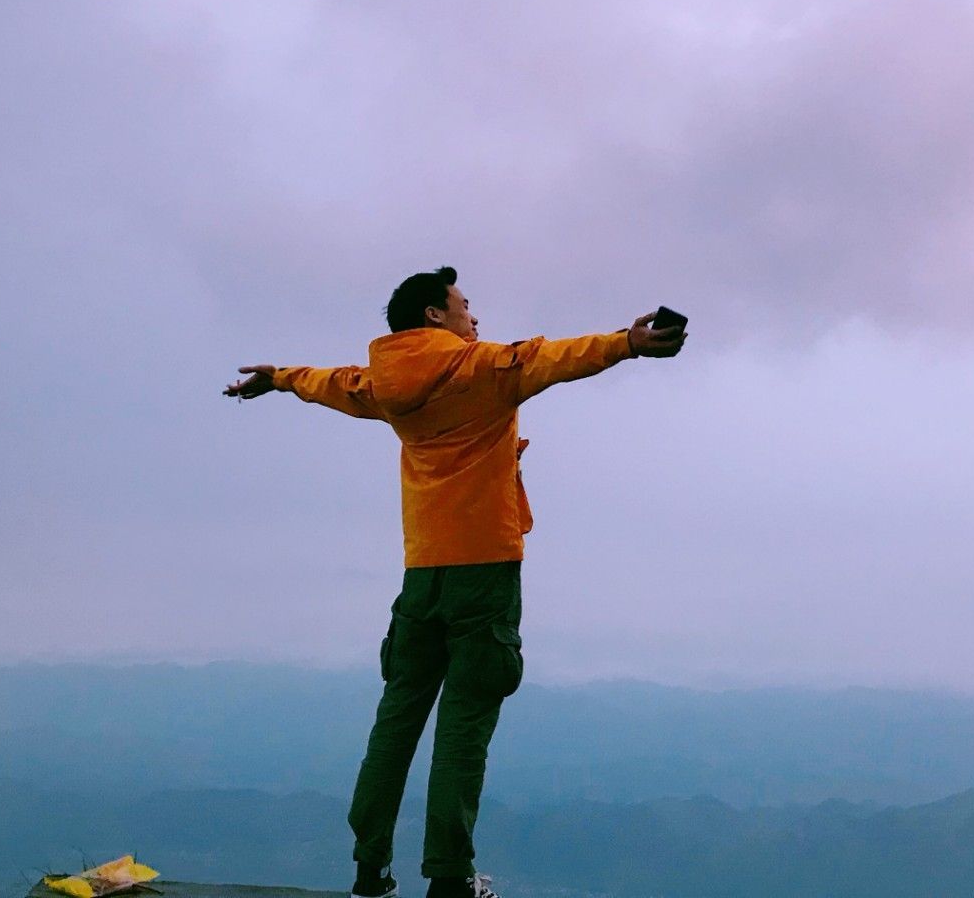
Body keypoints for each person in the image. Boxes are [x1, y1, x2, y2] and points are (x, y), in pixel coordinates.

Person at [224, 266, 686, 898]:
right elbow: (551, 357)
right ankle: (449, 877)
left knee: (396, 720)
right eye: (466, 306)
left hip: (421, 575)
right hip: (484, 573)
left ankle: (368, 867)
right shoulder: (483, 370)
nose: (476, 318)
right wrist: (628, 342)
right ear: (435, 316)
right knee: (463, 729)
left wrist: (277, 379)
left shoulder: (385, 385)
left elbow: (333, 383)